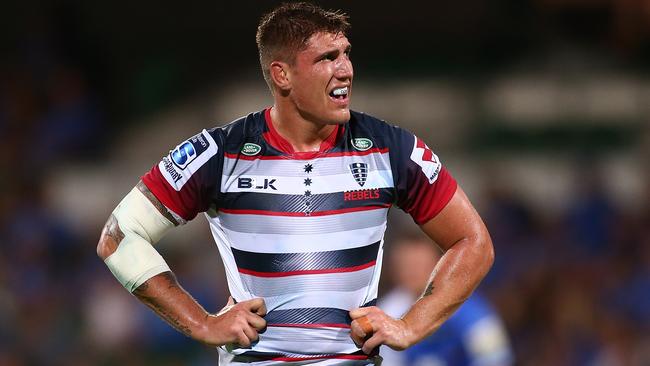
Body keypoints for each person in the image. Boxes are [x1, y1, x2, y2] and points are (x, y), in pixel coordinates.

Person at [96, 3, 494, 365]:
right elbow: (120, 236)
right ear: (282, 74)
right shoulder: (221, 152)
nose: (345, 70)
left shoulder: (389, 148)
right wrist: (200, 323)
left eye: (346, 54)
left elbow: (473, 242)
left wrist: (412, 325)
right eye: (327, 58)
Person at [380, 234, 513, 366]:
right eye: (405, 266)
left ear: (440, 264)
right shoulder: (388, 311)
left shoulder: (470, 310)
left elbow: (496, 359)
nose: (412, 273)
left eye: (418, 265)